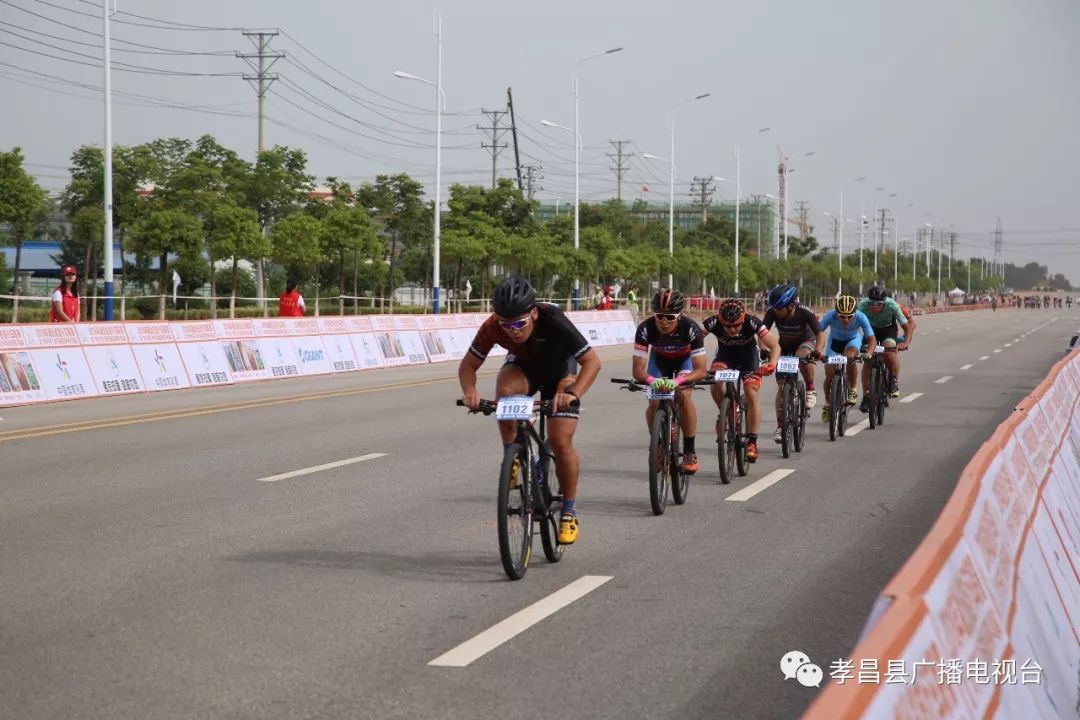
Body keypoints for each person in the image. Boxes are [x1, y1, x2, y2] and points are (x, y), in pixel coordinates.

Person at [459, 275, 601, 545]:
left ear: (534, 313)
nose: (513, 330)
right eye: (506, 324)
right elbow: (468, 367)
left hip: (561, 371)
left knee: (560, 441)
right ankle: (512, 454)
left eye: (519, 323)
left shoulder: (552, 318)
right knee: (505, 387)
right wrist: (471, 392)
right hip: (525, 369)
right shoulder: (492, 326)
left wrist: (572, 394)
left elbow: (592, 362)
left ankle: (569, 511)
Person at [631, 289, 709, 473]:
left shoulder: (691, 329)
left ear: (679, 315)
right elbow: (637, 370)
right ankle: (656, 443)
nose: (664, 322)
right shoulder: (645, 328)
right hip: (659, 361)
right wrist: (651, 380)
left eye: (670, 317)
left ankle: (689, 451)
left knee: (683, 395)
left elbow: (701, 370)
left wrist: (678, 381)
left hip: (684, 360)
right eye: (659, 316)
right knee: (654, 401)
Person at [703, 298, 780, 463]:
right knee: (715, 380)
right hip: (725, 357)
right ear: (720, 320)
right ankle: (724, 412)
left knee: (751, 392)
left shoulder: (752, 322)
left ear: (743, 318)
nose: (732, 329)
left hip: (749, 358)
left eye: (736, 325)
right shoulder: (712, 322)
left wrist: (772, 364)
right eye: (727, 326)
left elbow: (774, 346)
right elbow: (692, 342)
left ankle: (752, 441)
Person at [762, 283, 826, 444]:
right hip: (784, 345)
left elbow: (820, 334)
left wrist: (818, 350)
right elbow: (762, 333)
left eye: (779, 308)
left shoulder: (805, 312)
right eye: (774, 308)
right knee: (782, 386)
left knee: (802, 356)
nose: (776, 311)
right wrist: (764, 350)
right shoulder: (773, 312)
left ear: (791, 306)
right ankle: (780, 426)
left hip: (805, 341)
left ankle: (810, 388)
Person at [819, 295, 877, 424]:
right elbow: (817, 331)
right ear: (837, 314)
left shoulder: (861, 316)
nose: (846, 319)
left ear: (854, 313)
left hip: (852, 340)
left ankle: (853, 389)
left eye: (850, 316)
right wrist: (815, 349)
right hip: (834, 342)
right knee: (829, 375)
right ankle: (828, 404)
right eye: (842, 316)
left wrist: (868, 353)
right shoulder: (830, 315)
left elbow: (872, 339)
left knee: (849, 358)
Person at [856, 286, 915, 404]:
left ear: (884, 302)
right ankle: (866, 395)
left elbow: (908, 327)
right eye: (872, 303)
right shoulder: (862, 305)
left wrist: (905, 343)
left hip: (888, 330)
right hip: (871, 331)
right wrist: (855, 343)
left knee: (889, 352)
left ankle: (893, 380)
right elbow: (854, 326)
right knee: (868, 360)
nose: (874, 307)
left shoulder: (892, 305)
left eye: (878, 304)